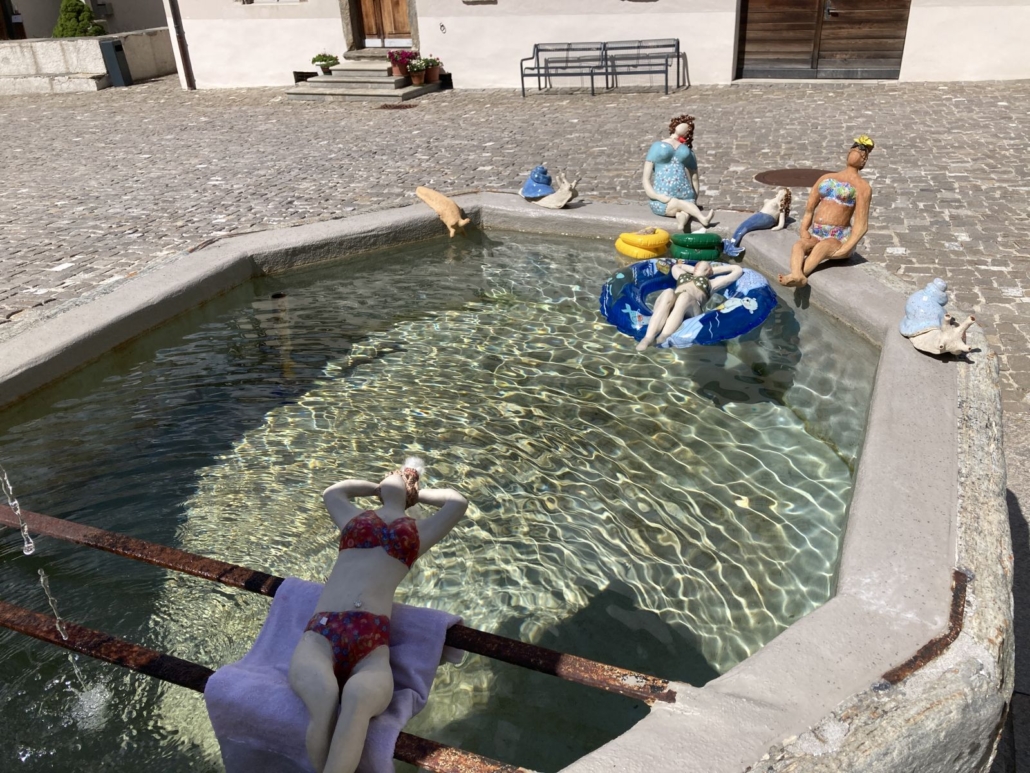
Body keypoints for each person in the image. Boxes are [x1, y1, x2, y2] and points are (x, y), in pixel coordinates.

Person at [288, 458, 468, 773]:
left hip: (371, 646)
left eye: (399, 474)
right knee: (324, 698)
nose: (397, 474)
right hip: (321, 634)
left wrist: (415, 493)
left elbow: (457, 502)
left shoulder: (420, 532)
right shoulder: (353, 518)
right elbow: (333, 492)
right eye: (391, 473)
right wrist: (379, 488)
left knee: (357, 700)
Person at [778, 136, 874, 287]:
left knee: (822, 248)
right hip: (817, 233)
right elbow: (810, 208)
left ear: (864, 161)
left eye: (862, 154)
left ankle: (800, 275)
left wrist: (847, 247)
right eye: (854, 149)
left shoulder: (862, 187)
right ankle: (797, 275)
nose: (857, 152)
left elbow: (861, 224)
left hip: (839, 238)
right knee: (799, 245)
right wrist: (804, 228)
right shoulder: (827, 178)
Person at [636, 261, 743, 351]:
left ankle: (663, 336)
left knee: (685, 297)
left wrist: (713, 271)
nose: (698, 267)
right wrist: (693, 270)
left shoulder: (712, 283)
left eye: (705, 268)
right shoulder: (682, 275)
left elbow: (737, 270)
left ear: (709, 271)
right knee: (668, 291)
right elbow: (676, 266)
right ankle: (648, 338)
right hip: (673, 301)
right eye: (697, 266)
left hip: (691, 308)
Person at [642, 114, 713, 233]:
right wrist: (656, 196)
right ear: (675, 126)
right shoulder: (657, 146)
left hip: (687, 197)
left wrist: (694, 197)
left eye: (689, 128)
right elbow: (645, 179)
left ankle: (681, 220)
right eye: (684, 125)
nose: (686, 128)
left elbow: (694, 177)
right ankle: (701, 218)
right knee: (678, 204)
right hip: (663, 200)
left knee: (684, 208)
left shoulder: (687, 150)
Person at [722, 188, 791, 258]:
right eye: (780, 192)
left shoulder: (781, 205)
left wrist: (777, 227)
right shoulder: (774, 199)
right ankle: (731, 245)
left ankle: (732, 247)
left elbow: (781, 223)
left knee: (746, 227)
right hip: (759, 215)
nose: (780, 194)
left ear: (785, 197)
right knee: (742, 226)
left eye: (782, 194)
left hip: (767, 218)